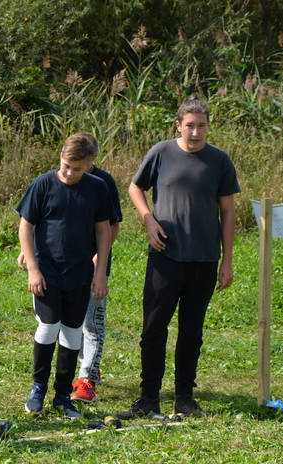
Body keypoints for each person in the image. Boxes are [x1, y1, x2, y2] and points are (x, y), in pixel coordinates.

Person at [115, 98, 240, 420]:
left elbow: (228, 212)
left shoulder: (219, 160)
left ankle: (185, 398)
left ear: (208, 126)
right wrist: (148, 219)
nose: (195, 132)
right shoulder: (161, 152)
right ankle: (148, 400)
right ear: (178, 126)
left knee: (191, 332)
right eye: (190, 125)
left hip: (204, 259)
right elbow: (135, 187)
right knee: (153, 329)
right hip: (165, 256)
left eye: (201, 126)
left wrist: (227, 261)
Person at [18, 134, 123, 404]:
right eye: (66, 166)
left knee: (73, 332)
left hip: (80, 273)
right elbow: (26, 226)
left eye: (77, 169)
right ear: (60, 158)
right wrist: (33, 268)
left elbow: (104, 230)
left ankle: (63, 395)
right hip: (47, 271)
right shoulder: (43, 183)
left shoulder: (98, 187)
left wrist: (100, 272)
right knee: (48, 327)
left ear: (89, 165)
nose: (69, 173)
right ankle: (38, 388)